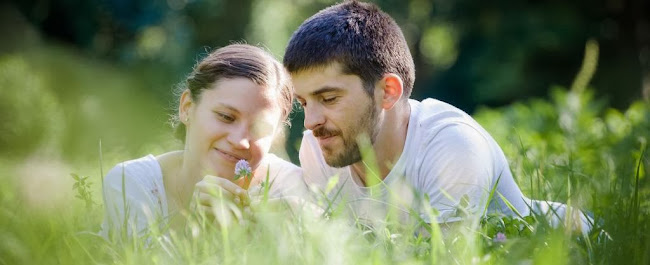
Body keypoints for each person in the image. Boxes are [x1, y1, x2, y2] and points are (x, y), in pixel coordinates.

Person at [284, 1, 591, 233]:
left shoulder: (453, 146)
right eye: (304, 102)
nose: (310, 122)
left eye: (329, 99)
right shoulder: (318, 151)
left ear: (388, 91)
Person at [100, 44, 308, 238]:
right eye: (226, 117)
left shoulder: (291, 189)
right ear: (187, 107)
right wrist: (198, 235)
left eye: (259, 128)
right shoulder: (133, 185)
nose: (240, 141)